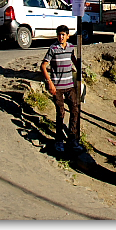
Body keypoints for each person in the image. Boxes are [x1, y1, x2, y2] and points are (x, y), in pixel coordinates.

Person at [40, 24, 83, 154]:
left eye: (63, 35)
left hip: (69, 85)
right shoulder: (53, 48)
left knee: (75, 109)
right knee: (61, 112)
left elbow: (74, 60)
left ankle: (72, 139)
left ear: (67, 36)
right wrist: (49, 83)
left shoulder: (70, 47)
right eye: (59, 34)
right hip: (57, 87)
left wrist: (80, 72)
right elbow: (43, 65)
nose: (61, 37)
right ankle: (59, 140)